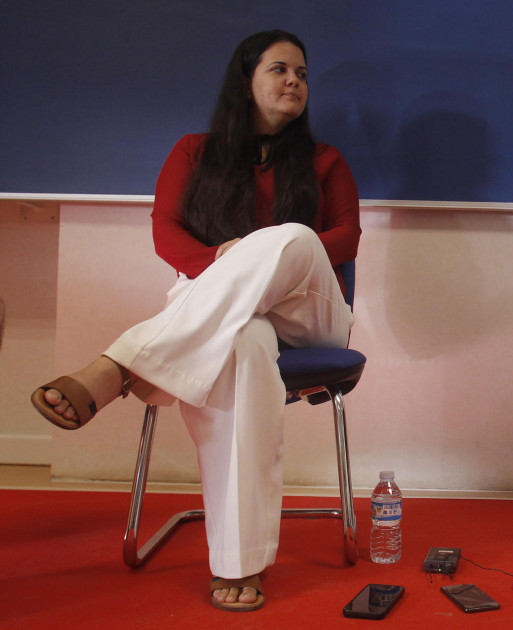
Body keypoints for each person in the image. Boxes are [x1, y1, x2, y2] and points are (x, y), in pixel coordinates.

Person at [30, 30, 360, 612]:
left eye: (303, 74)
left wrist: (251, 251)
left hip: (311, 309)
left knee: (293, 237)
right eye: (280, 70)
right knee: (246, 342)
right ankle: (240, 563)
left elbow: (345, 237)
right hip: (222, 313)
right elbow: (166, 231)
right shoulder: (192, 151)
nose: (294, 82)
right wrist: (219, 260)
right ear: (245, 81)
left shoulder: (325, 160)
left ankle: (123, 363)